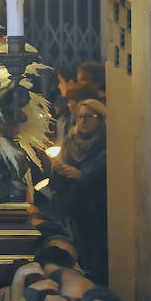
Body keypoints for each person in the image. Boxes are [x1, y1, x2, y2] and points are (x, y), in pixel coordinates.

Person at [49, 99, 108, 285]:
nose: (83, 121)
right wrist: (58, 169)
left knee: (95, 254)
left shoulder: (106, 143)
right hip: (71, 209)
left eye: (89, 117)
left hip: (96, 209)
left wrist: (83, 175)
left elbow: (105, 171)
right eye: (80, 117)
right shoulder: (70, 142)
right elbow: (55, 182)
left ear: (100, 119)